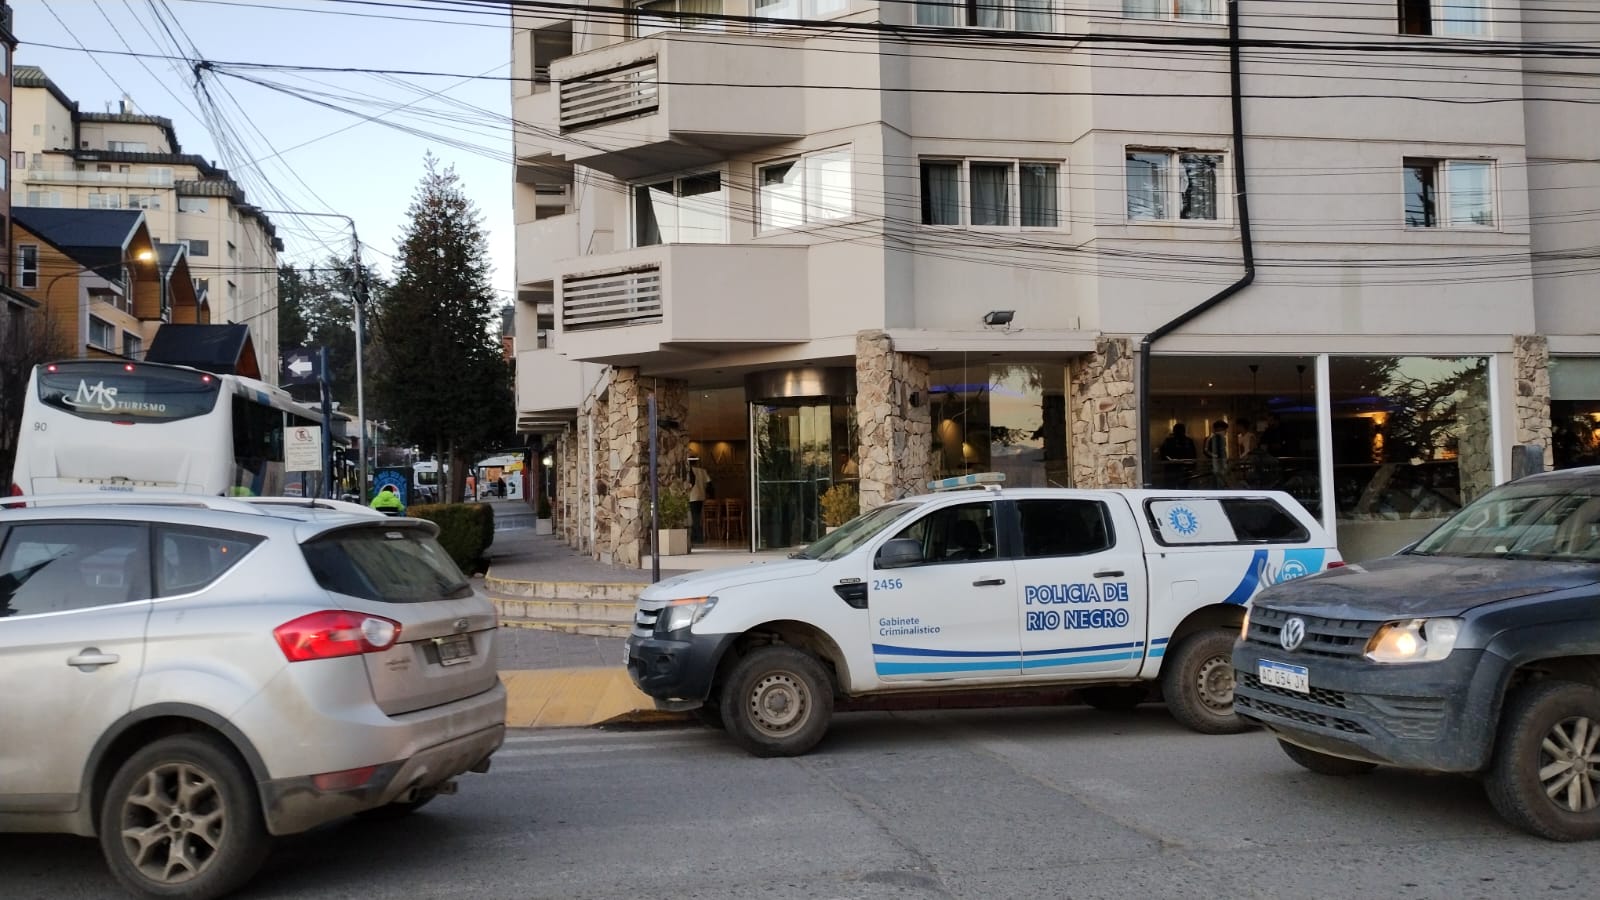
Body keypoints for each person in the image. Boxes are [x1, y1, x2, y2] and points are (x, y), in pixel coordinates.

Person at [1158, 424, 1197, 489]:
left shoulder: (1188, 441)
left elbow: (1193, 455)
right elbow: (1163, 453)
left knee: (1180, 487)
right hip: (1174, 468)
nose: (1180, 432)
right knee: (1174, 487)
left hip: (1182, 468)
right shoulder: (1169, 441)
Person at [687, 458, 711, 543]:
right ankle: (696, 536)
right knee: (697, 517)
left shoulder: (690, 470)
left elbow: (691, 482)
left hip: (692, 496)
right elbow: (709, 484)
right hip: (701, 496)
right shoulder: (703, 471)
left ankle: (698, 537)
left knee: (694, 518)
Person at [1204, 420, 1230, 488]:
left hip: (1219, 464)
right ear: (1219, 429)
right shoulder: (1211, 438)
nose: (1225, 432)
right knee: (1217, 484)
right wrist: (1217, 457)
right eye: (1224, 429)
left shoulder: (1220, 438)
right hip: (1215, 465)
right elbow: (1206, 451)